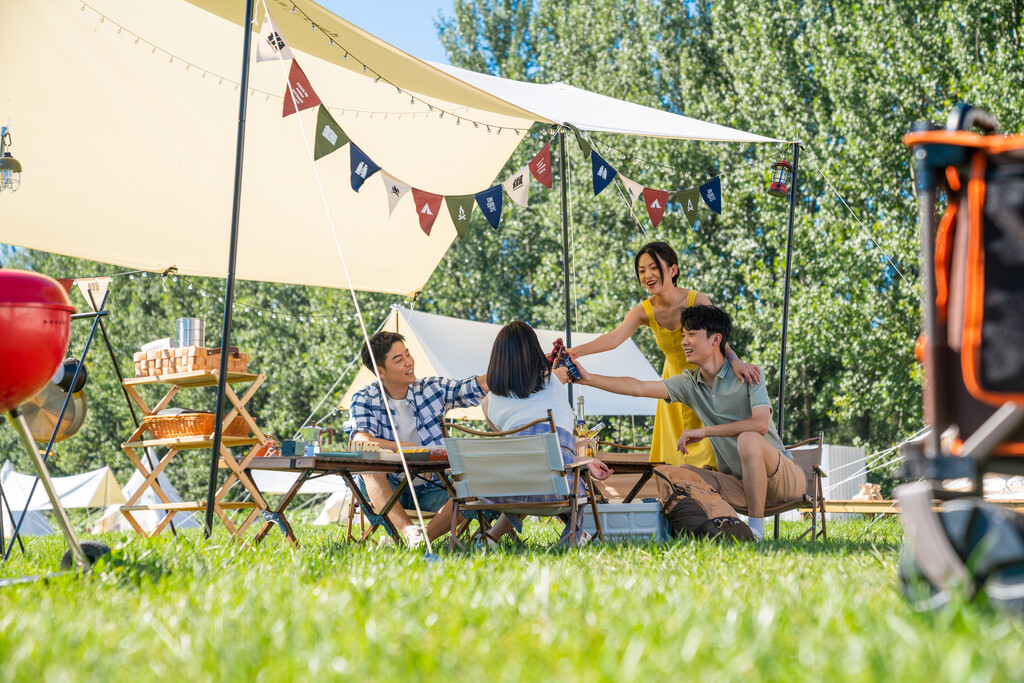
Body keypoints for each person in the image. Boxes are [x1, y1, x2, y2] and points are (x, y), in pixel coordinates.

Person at [575, 305, 804, 541]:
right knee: (680, 474)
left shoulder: (748, 375)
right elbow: (639, 388)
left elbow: (760, 425)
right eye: (683, 335)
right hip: (740, 484)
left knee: (748, 438)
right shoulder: (689, 384)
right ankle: (720, 529)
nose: (684, 341)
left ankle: (756, 531)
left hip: (783, 480)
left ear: (716, 339)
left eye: (692, 334)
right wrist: (589, 378)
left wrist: (706, 431)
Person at [568, 241, 761, 469]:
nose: (647, 275)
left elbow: (718, 338)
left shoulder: (697, 300)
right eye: (641, 271)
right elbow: (613, 338)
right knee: (675, 459)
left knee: (711, 453)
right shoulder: (643, 311)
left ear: (672, 270)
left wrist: (735, 361)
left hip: (708, 383)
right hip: (673, 383)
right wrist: (575, 352)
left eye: (653, 267)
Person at [347, 330, 487, 547]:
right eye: (398, 359)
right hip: (390, 491)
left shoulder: (432, 389)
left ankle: (422, 539)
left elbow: (474, 386)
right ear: (380, 371)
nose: (408, 362)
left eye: (408, 354)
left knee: (478, 482)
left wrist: (524, 365)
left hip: (435, 487)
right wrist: (408, 448)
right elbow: (361, 440)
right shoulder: (365, 398)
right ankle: (408, 530)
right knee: (370, 470)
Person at [480, 321, 612, 544]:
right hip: (558, 491)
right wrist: (584, 460)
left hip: (509, 491)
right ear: (534, 353)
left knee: (528, 473)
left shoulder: (487, 403)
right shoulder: (556, 382)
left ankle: (490, 538)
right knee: (548, 474)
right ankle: (577, 535)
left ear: (497, 359)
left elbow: (517, 449)